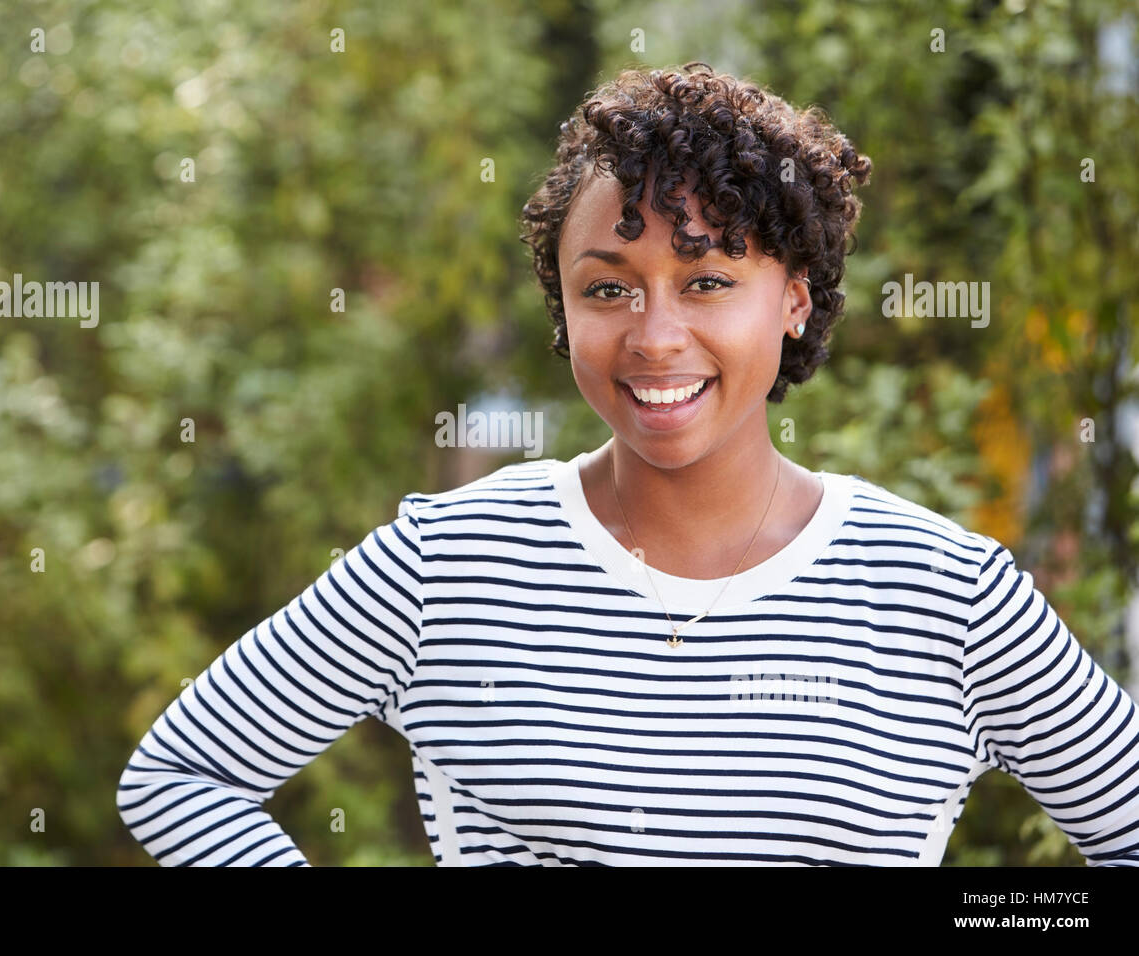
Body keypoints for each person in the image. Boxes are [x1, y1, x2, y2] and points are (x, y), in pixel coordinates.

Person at [117, 62, 1139, 865]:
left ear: (792, 298)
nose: (654, 337)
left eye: (706, 279)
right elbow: (178, 771)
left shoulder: (944, 594)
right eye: (607, 289)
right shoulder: (445, 565)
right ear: (562, 308)